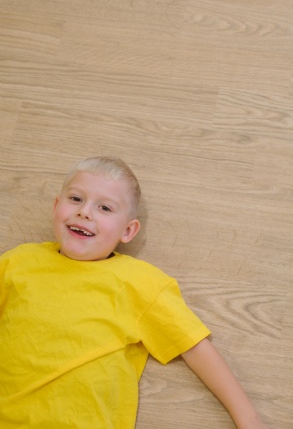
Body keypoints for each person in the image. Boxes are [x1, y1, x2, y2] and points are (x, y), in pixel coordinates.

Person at [0, 156, 267, 428]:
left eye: (104, 207)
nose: (85, 212)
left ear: (128, 231)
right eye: (76, 199)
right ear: (56, 207)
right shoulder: (17, 262)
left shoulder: (140, 283)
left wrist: (249, 420)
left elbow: (194, 347)